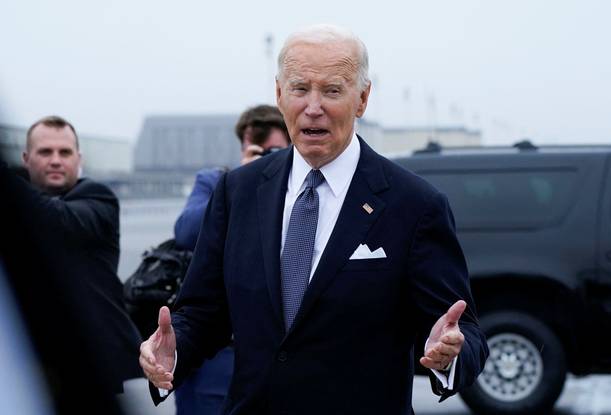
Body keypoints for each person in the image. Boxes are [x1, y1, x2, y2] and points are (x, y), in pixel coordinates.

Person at [141, 25, 488, 414]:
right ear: (278, 94)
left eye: (332, 90)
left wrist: (449, 354)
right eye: (300, 88)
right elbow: (203, 313)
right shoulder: (237, 191)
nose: (313, 106)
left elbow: (464, 332)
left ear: (363, 99)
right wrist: (172, 352)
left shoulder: (415, 204)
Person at [173, 105, 290, 414]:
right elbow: (185, 232)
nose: (268, 157)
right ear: (243, 147)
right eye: (258, 150)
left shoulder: (299, 190)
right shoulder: (218, 182)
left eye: (275, 151)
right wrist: (243, 180)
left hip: (273, 345)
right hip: (220, 343)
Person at [17, 115, 143, 393]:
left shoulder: (98, 198)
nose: (55, 160)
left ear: (79, 158)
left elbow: (55, 219)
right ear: (26, 158)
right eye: (45, 152)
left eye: (65, 152)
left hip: (90, 362)